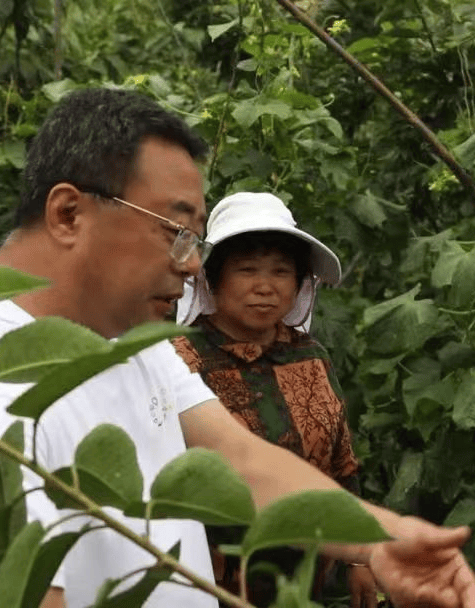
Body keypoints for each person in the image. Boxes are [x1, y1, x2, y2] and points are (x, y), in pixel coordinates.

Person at [0, 88, 475, 608]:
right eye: (176, 230)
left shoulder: (130, 340)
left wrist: (387, 539)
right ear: (67, 213)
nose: (193, 265)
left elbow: (241, 463)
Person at [171, 191, 378, 607]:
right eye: (247, 270)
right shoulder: (182, 358)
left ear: (300, 283)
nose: (264, 287)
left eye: (281, 272)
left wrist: (360, 558)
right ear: (212, 279)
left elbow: (342, 464)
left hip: (306, 582)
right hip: (209, 582)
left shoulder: (310, 356)